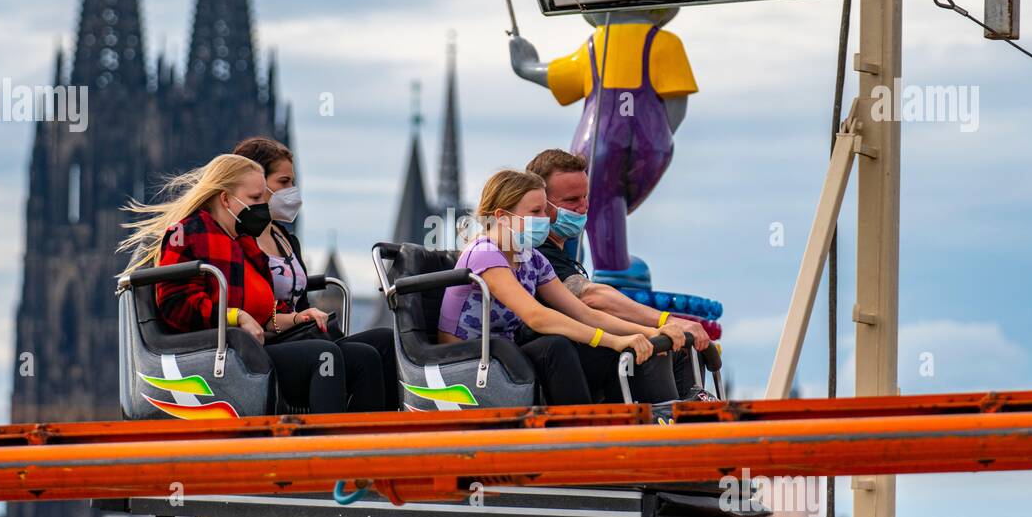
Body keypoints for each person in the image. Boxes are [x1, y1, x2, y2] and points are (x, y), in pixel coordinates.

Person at [119, 154, 385, 413]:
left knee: (365, 358)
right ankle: (322, 453)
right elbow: (176, 306)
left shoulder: (245, 241)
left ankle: (369, 451)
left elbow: (267, 315)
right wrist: (236, 317)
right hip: (222, 354)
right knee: (323, 356)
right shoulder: (187, 233)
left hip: (259, 347)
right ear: (225, 199)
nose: (263, 207)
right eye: (255, 198)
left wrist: (297, 318)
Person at [438, 169, 689, 405]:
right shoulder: (485, 253)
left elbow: (584, 313)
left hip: (503, 356)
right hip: (467, 360)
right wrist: (613, 340)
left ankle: (626, 424)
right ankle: (582, 428)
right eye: (535, 212)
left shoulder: (531, 258)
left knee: (608, 355)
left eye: (545, 211)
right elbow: (537, 317)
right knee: (555, 347)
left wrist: (647, 332)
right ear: (503, 218)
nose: (544, 219)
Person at [526, 148, 712, 399]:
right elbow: (590, 297)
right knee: (649, 351)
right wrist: (663, 322)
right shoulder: (536, 252)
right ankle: (665, 429)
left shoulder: (559, 253)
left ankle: (692, 416)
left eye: (585, 197)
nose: (582, 208)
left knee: (678, 348)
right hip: (557, 364)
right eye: (571, 201)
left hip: (584, 352)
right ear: (539, 203)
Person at [231, 136, 400, 409]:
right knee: (346, 357)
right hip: (268, 339)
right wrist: (298, 318)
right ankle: (331, 445)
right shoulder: (240, 240)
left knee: (384, 342)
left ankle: (378, 439)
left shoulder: (285, 239)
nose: (292, 191)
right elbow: (253, 309)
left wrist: (308, 318)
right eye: (284, 182)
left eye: (294, 183)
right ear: (258, 183)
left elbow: (302, 303)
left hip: (298, 334)